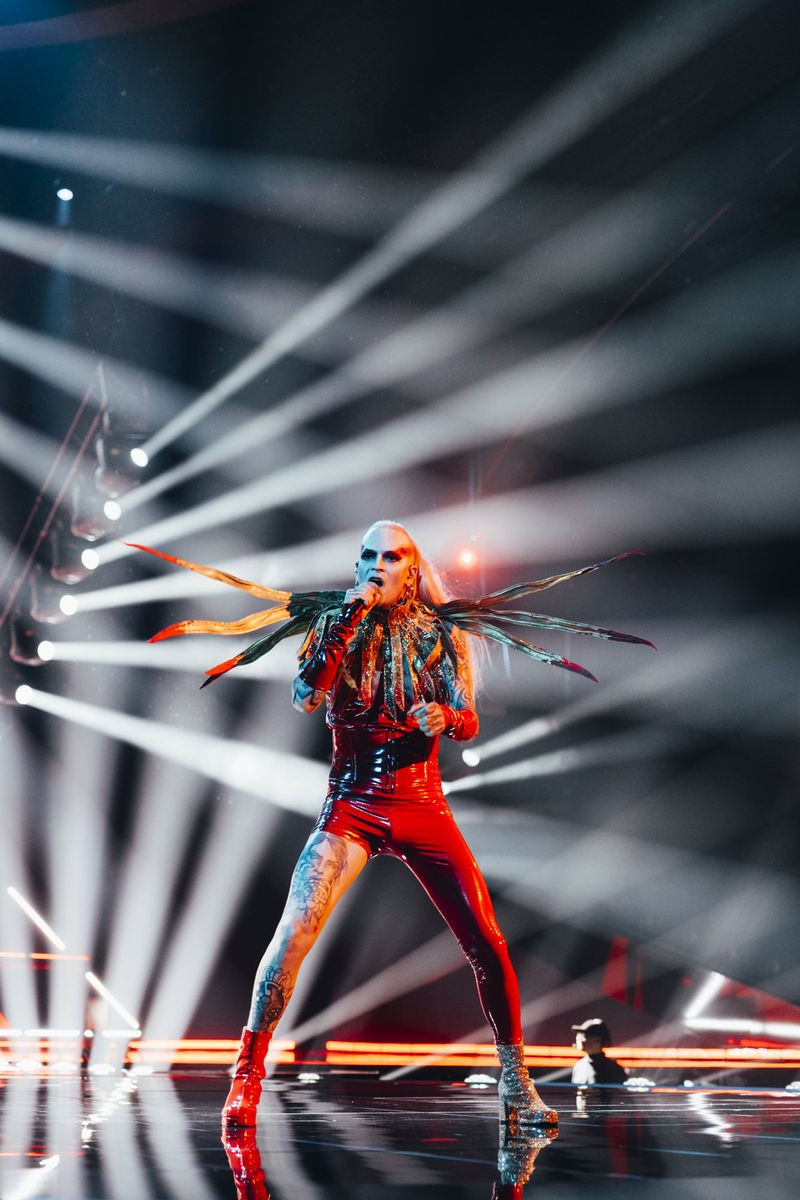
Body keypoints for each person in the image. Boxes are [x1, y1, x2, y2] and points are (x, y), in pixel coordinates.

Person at [133, 522, 652, 1132]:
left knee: (487, 940)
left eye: (392, 556)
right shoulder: (335, 622)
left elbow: (469, 719)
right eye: (369, 556)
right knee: (293, 934)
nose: (379, 565)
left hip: (421, 803)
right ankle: (246, 1078)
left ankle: (517, 1085)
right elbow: (306, 695)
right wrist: (350, 617)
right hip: (351, 805)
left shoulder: (440, 631)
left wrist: (446, 715)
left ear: (412, 568)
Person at [571, 1018, 628, 1085]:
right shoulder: (579, 1066)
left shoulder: (613, 1069)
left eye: (584, 1035)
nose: (579, 1038)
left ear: (598, 1041)